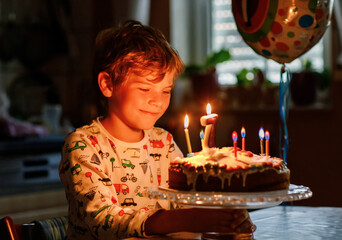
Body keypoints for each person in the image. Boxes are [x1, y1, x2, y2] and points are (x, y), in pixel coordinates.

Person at [59, 20, 255, 239]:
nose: (157, 101)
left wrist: (224, 220)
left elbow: (185, 203)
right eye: (144, 88)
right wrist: (186, 219)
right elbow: (105, 220)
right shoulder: (83, 145)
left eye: (166, 91)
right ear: (107, 84)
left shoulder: (164, 142)